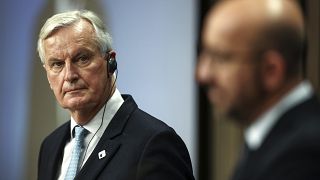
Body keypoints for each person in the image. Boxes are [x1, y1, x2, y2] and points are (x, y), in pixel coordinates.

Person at [37, 10, 194, 180]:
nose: (69, 75)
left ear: (110, 62)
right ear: (47, 74)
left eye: (82, 59)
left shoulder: (155, 143)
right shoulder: (50, 146)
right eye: (57, 64)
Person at [197, 0, 320, 179]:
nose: (202, 74)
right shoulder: (273, 138)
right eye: (204, 54)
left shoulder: (302, 158)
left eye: (220, 58)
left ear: (271, 70)